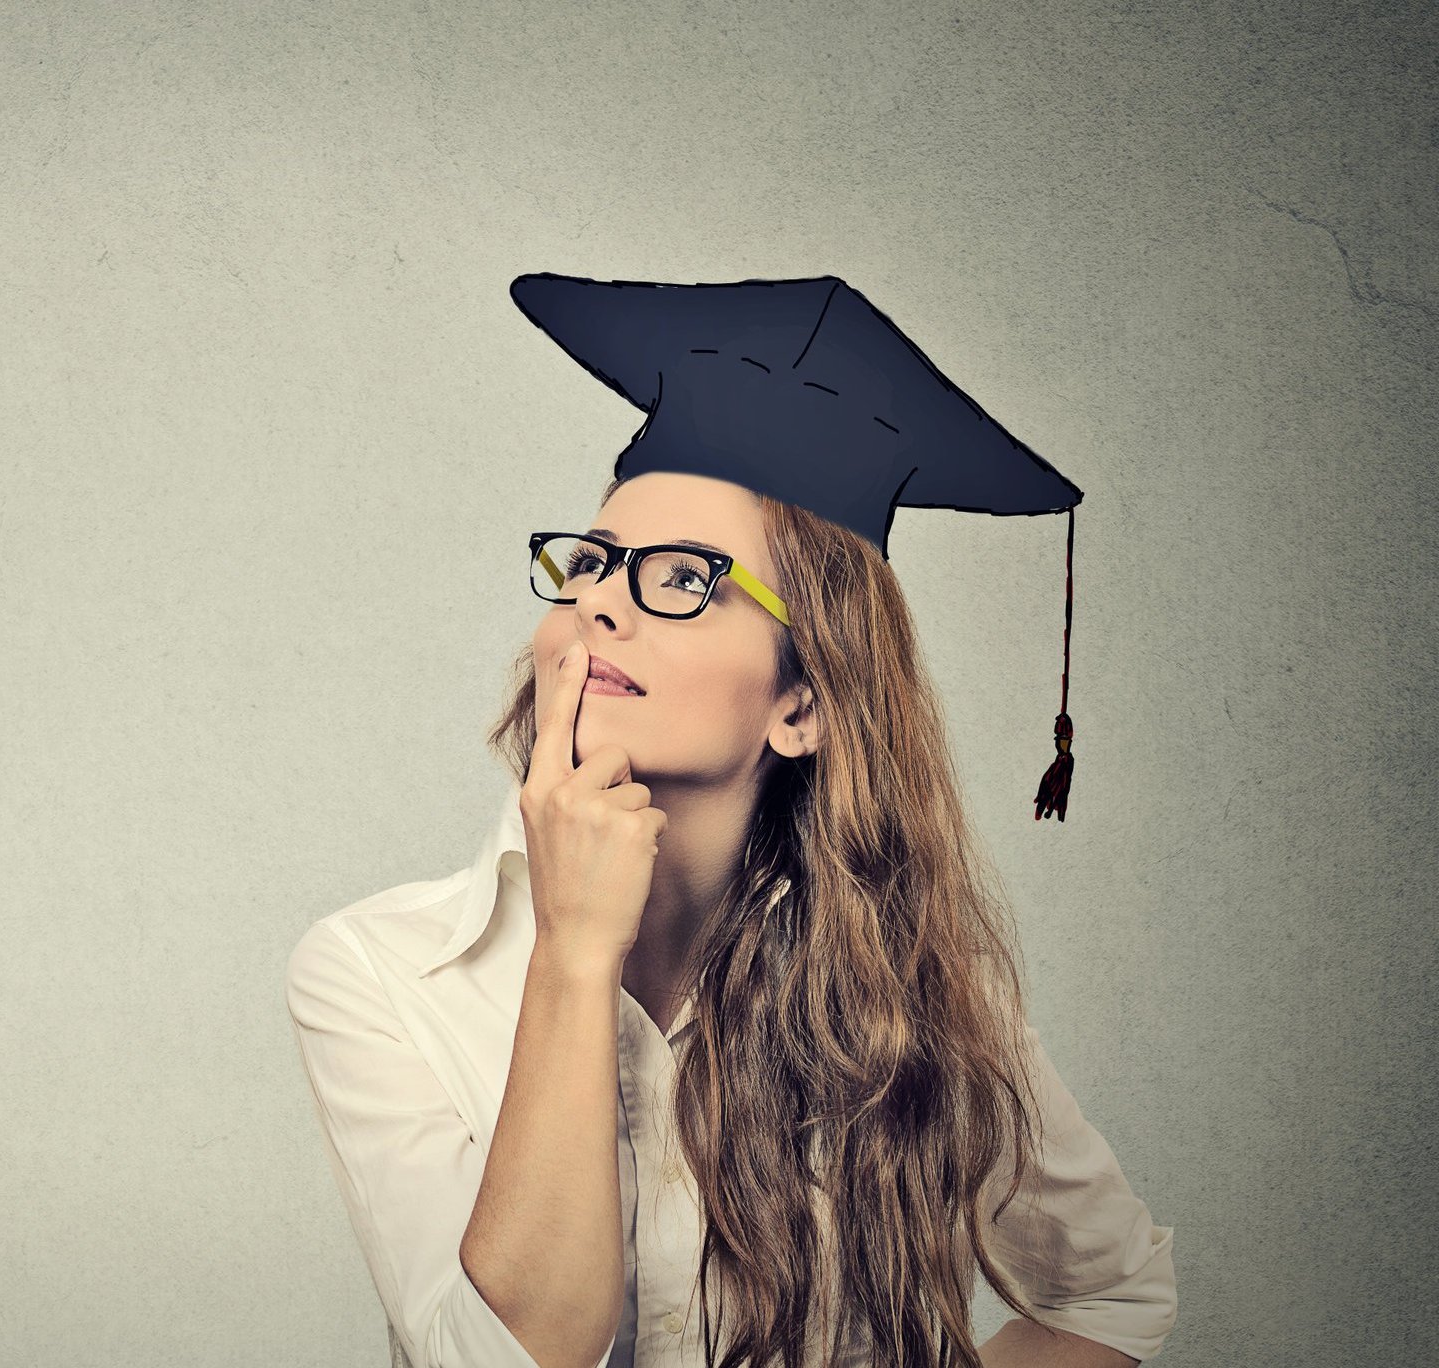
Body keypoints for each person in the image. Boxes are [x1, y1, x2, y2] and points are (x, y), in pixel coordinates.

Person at [285, 274, 1176, 1368]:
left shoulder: (915, 987)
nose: (601, 601)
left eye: (683, 580)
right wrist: (572, 954)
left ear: (800, 705)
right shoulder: (380, 972)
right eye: (592, 563)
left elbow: (1107, 1298)